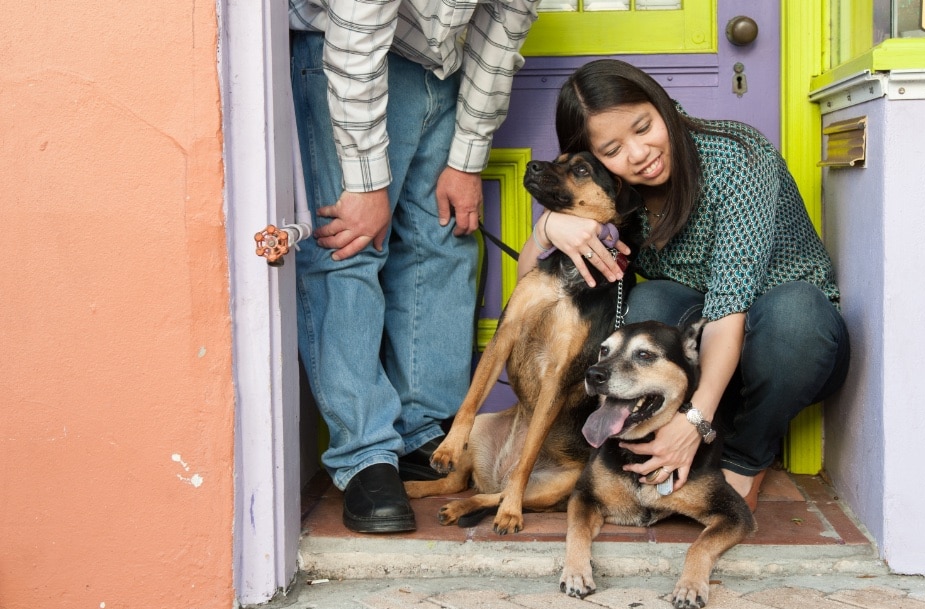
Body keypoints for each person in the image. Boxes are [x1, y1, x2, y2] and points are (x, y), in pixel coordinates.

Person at [518, 59, 850, 511]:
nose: (638, 154)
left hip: (793, 346)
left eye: (643, 127)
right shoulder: (614, 196)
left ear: (663, 106)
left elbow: (729, 308)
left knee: (795, 314)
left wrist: (695, 420)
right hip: (701, 349)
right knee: (649, 301)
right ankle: (668, 443)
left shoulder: (739, 158)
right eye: (613, 150)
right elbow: (534, 295)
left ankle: (744, 457)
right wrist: (547, 229)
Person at [288, 0, 539, 533]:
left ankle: (424, 430)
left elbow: (503, 26)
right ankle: (366, 454)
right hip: (348, 59)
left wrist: (466, 158)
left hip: (444, 68)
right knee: (349, 247)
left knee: (443, 244)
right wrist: (365, 183)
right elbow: (356, 38)